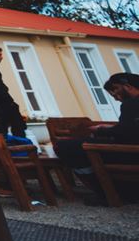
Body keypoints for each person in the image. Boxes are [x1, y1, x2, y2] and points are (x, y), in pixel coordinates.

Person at [53, 72, 139, 201]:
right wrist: (112, 128)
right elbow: (131, 128)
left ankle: (109, 191)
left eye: (115, 90)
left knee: (66, 147)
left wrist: (101, 130)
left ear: (127, 86)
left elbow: (126, 133)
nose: (115, 97)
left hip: (130, 153)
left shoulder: (131, 104)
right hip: (131, 149)